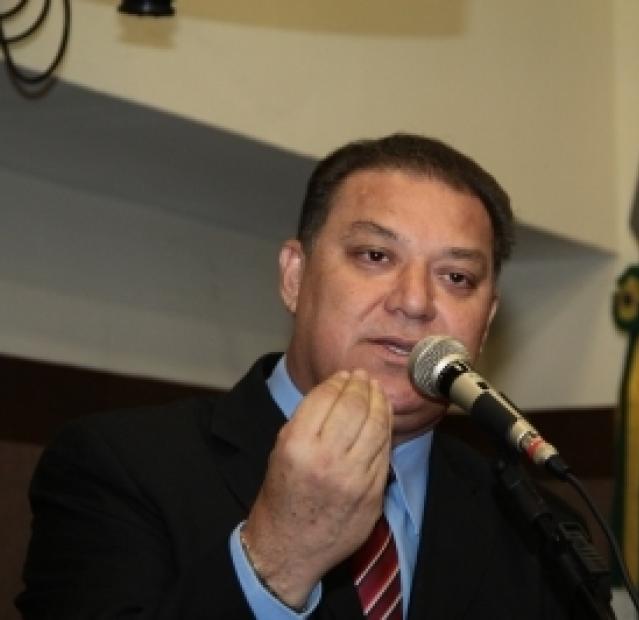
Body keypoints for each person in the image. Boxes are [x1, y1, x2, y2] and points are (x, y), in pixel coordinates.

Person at [17, 134, 582, 619]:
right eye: (375, 256)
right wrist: (278, 557)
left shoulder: (536, 527)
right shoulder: (120, 467)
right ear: (294, 277)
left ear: (486, 322)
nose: (415, 302)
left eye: (456, 277)